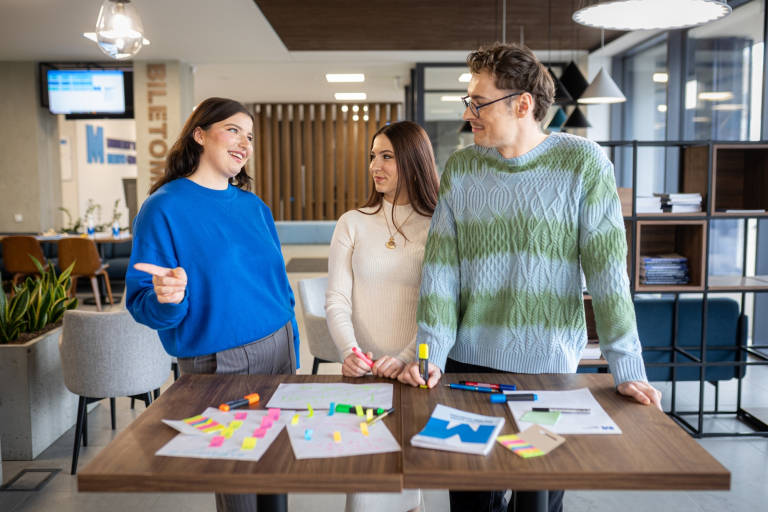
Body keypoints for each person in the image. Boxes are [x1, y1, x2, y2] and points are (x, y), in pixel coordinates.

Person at [398, 43, 662, 512]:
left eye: (479, 102)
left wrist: (627, 368)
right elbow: (440, 272)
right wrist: (430, 353)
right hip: (466, 370)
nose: (469, 113)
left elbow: (608, 275)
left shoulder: (584, 163)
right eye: (468, 101)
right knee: (473, 505)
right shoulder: (462, 168)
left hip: (550, 371)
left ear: (522, 104)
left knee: (537, 502)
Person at [126, 97, 300, 512]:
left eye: (250, 136)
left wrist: (290, 334)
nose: (244, 143)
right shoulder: (164, 207)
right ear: (200, 135)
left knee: (275, 472)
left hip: (279, 348)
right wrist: (168, 299)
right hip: (220, 362)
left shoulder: (254, 207)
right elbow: (141, 301)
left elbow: (276, 283)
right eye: (233, 130)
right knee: (238, 485)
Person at [325, 121, 439, 512]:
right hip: (363, 376)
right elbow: (337, 299)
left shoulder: (438, 224)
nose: (375, 165)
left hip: (412, 375)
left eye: (387, 156)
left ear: (413, 160)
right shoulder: (352, 222)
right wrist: (350, 352)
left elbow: (440, 307)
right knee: (364, 491)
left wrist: (407, 358)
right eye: (373, 156)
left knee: (408, 485)